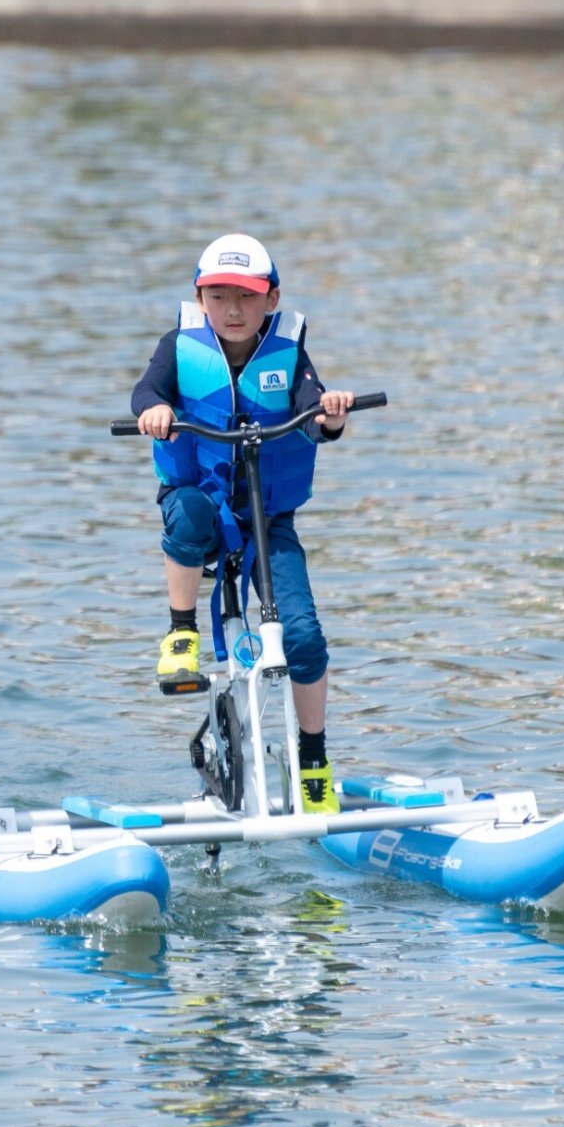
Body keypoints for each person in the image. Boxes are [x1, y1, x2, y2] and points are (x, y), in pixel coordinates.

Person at [130, 234, 355, 814]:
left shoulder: (290, 352)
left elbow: (313, 407)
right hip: (205, 505)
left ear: (271, 299)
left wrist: (329, 417)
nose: (233, 310)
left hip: (268, 520)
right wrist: (153, 411)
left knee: (303, 637)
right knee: (185, 514)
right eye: (220, 296)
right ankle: (181, 632)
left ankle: (313, 757)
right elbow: (146, 390)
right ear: (200, 297)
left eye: (247, 298)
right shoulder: (178, 346)